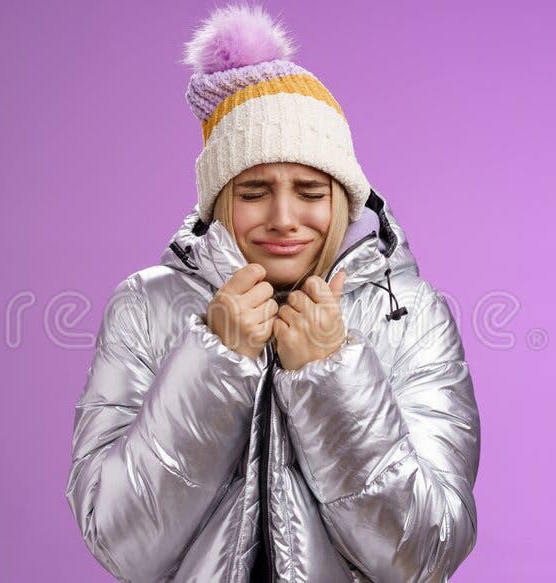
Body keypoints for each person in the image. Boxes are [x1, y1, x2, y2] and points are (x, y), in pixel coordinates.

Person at [66, 5, 481, 582]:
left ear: (343, 201)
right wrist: (214, 360)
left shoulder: (409, 315)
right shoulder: (145, 308)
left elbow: (423, 555)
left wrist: (331, 375)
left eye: (310, 190)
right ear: (219, 203)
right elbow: (121, 544)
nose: (284, 218)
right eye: (255, 191)